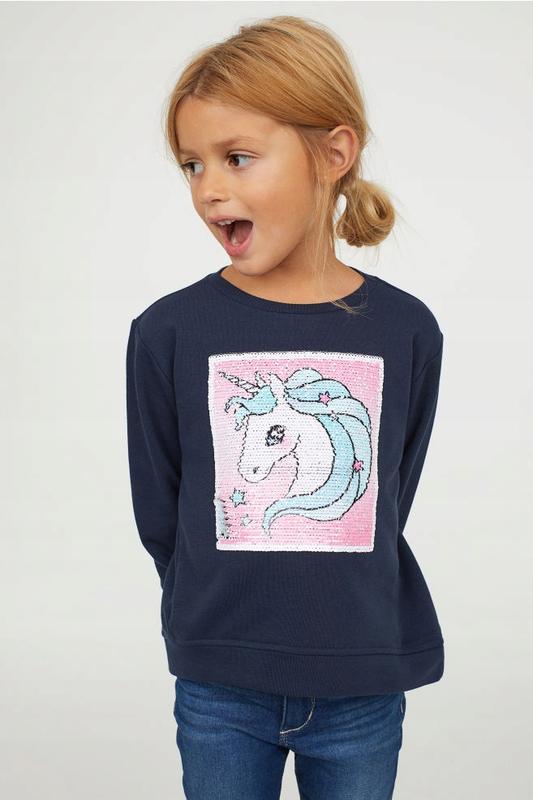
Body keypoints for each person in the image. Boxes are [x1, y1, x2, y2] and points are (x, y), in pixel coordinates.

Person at [126, 15, 445, 800]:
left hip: (362, 682)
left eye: (236, 157)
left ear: (333, 154)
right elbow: (161, 513)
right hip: (219, 686)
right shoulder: (168, 331)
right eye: (192, 164)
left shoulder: (405, 330)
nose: (208, 188)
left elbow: (386, 492)